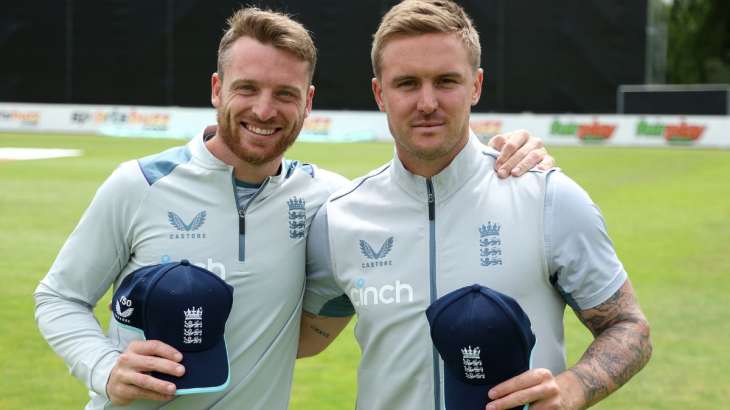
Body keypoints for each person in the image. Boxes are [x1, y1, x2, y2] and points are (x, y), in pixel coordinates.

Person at [33, 5, 551, 410]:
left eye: (285, 93)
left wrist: (504, 153)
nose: (264, 110)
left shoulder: (328, 200)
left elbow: (412, 193)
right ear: (217, 89)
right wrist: (103, 367)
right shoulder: (139, 185)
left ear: (308, 102)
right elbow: (58, 297)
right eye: (247, 89)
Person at [300, 1, 652, 410]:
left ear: (476, 85)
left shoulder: (547, 198)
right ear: (381, 93)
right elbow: (294, 337)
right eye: (407, 83)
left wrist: (573, 387)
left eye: (446, 81)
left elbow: (630, 328)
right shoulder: (341, 216)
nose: (427, 102)